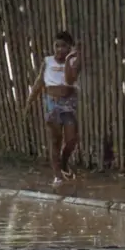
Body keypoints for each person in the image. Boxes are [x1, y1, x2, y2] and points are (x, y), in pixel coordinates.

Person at [25, 31, 82, 187]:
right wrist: (30, 101)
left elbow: (71, 80)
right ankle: (57, 175)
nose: (59, 49)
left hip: (69, 103)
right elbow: (39, 82)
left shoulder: (74, 62)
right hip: (52, 103)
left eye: (64, 46)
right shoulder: (47, 62)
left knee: (71, 140)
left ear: (70, 47)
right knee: (55, 140)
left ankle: (64, 162)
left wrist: (70, 59)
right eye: (57, 46)